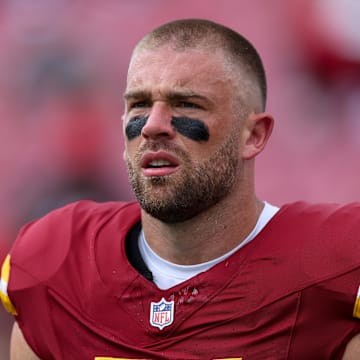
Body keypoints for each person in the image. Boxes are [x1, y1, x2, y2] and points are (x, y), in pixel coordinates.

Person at [1, 18, 360, 360]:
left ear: (252, 135)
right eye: (139, 104)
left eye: (186, 104)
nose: (153, 126)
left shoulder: (330, 269)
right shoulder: (58, 262)